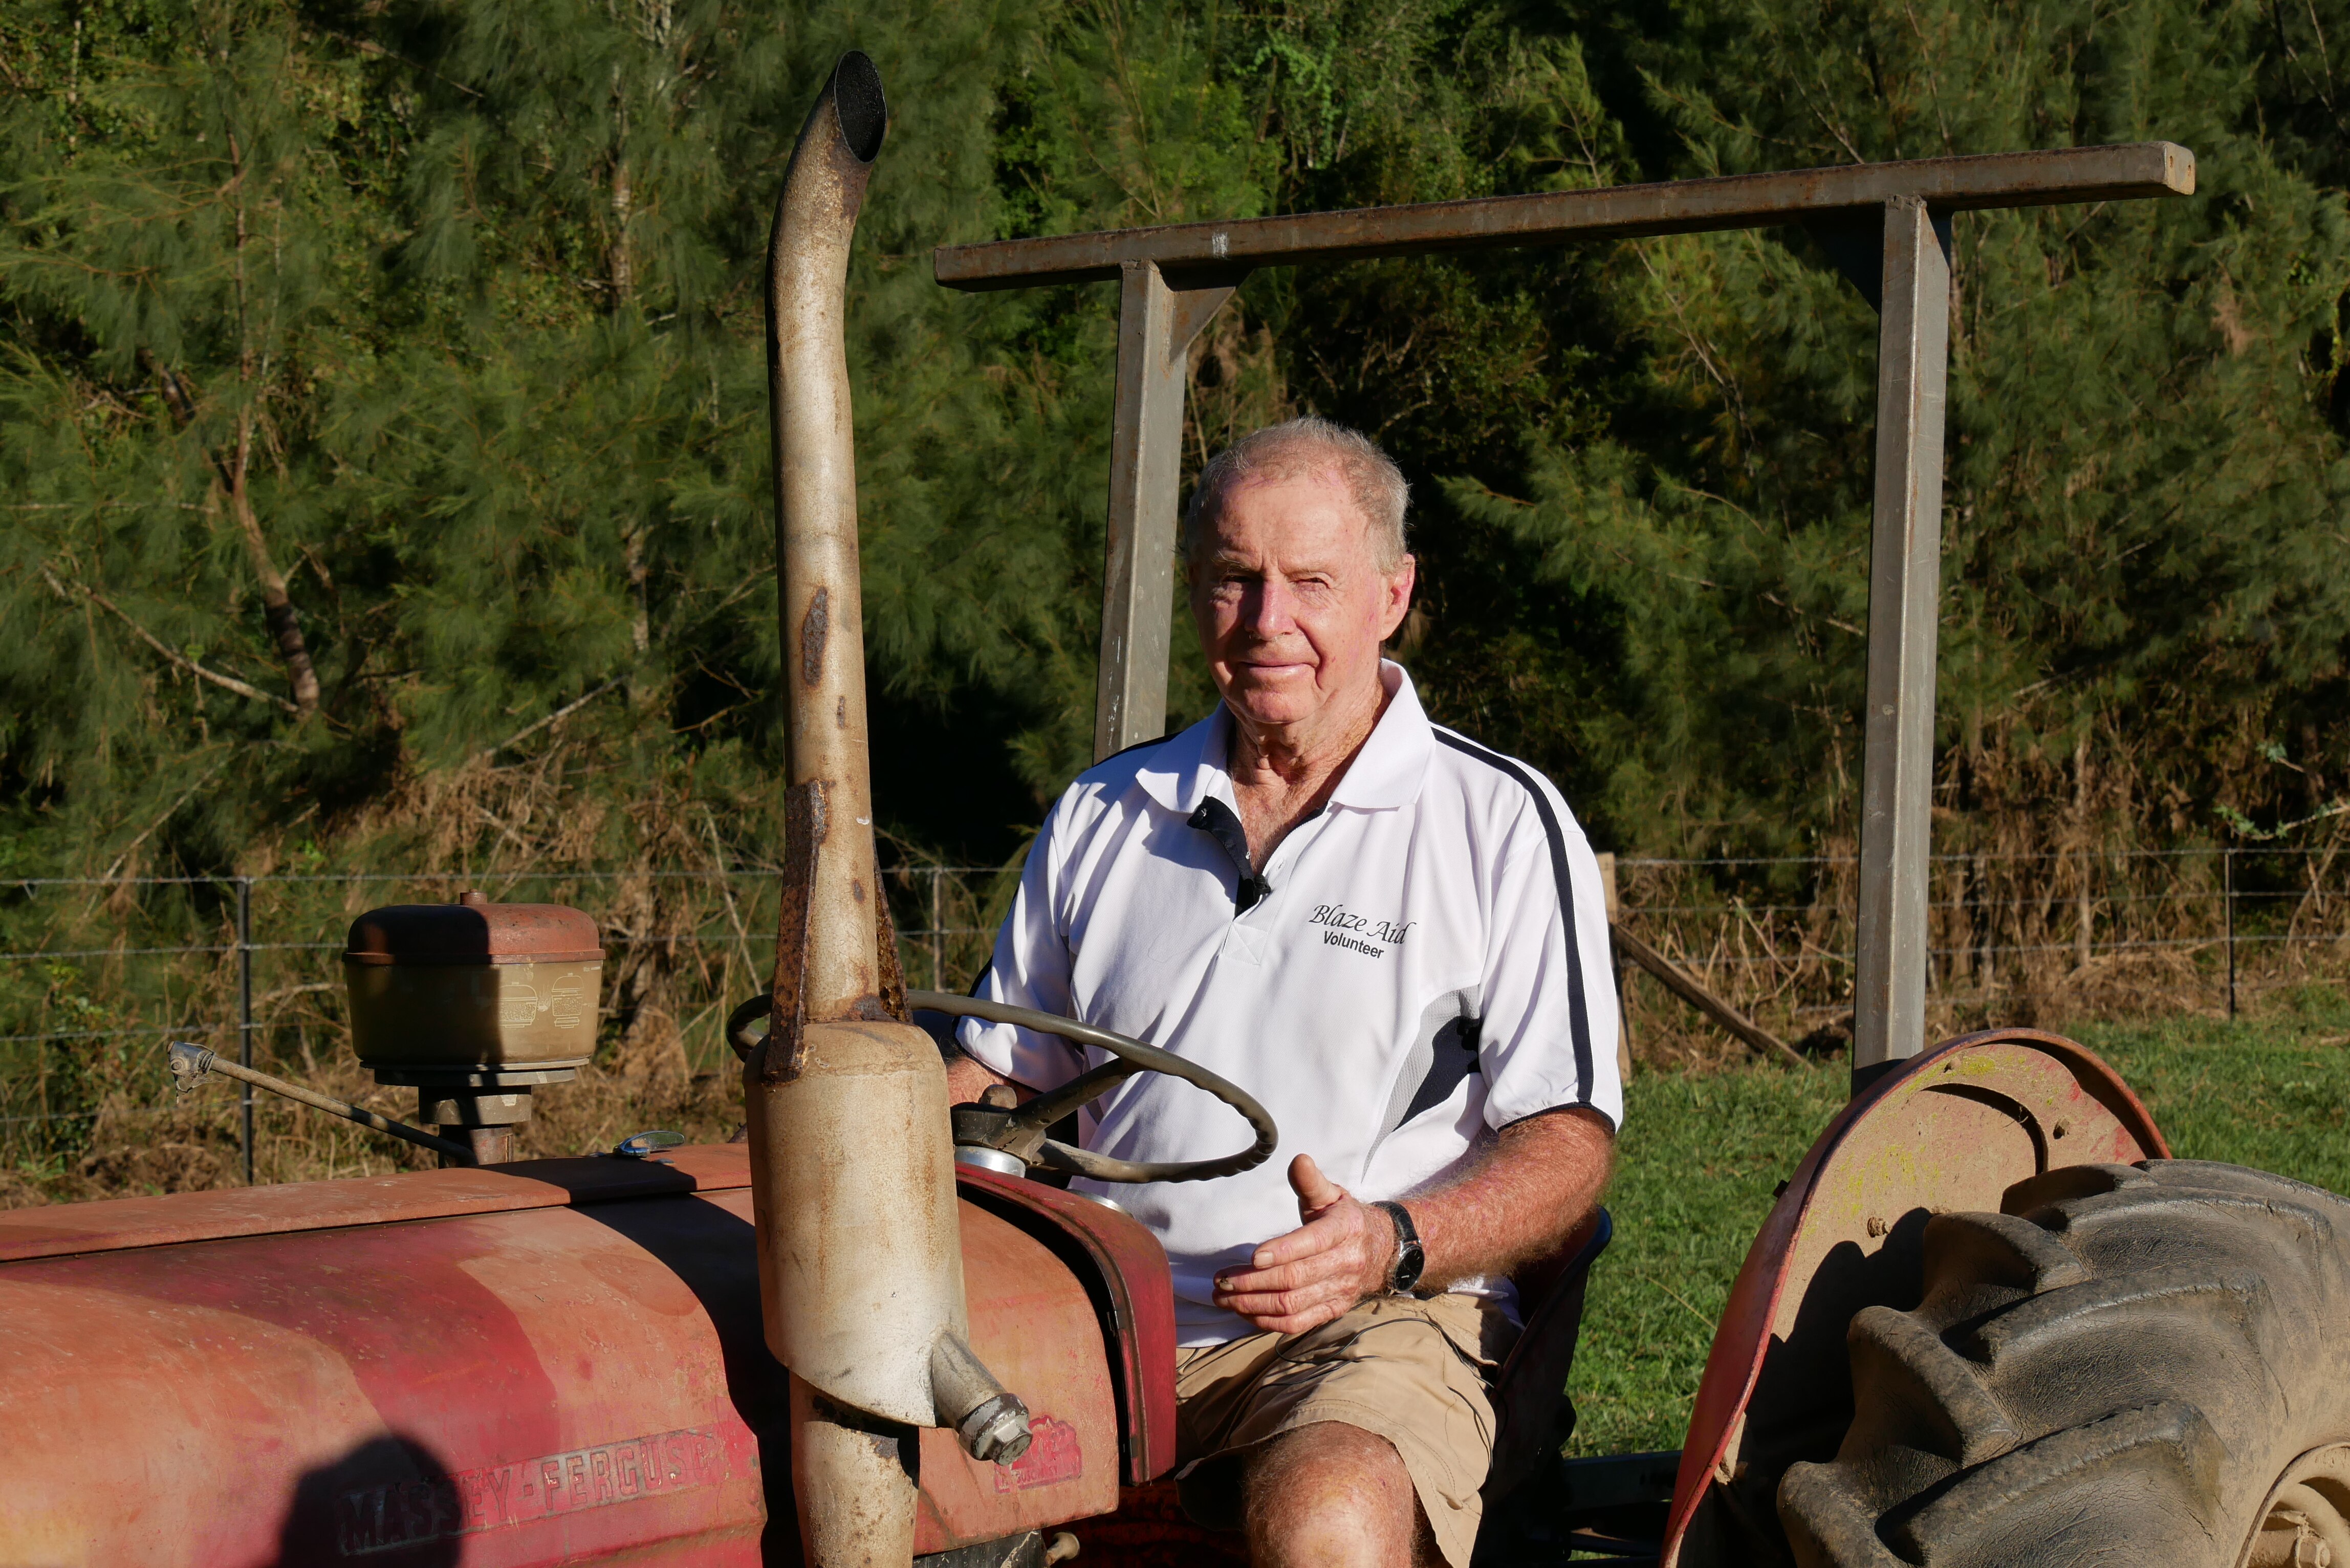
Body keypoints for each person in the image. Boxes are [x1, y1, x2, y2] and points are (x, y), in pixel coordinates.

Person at [947, 416, 1620, 1568]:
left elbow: (1567, 1137)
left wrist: (1394, 1240)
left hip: (1374, 1324)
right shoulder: (1105, 811)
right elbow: (1002, 1077)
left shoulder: (1496, 818)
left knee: (1327, 1510)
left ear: (1390, 595)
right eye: (1232, 580)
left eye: (1310, 581)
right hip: (1095, 1323)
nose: (1268, 623)